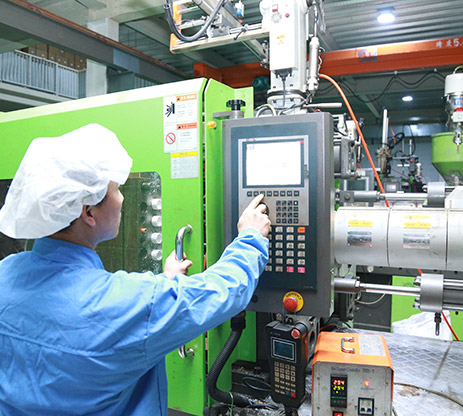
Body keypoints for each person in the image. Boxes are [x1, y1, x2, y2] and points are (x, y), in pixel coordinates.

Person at [0, 124, 271, 416]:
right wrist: (251, 237)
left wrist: (165, 283)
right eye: (117, 189)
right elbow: (225, 291)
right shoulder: (133, 302)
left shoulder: (6, 273)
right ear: (88, 212)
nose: (122, 199)